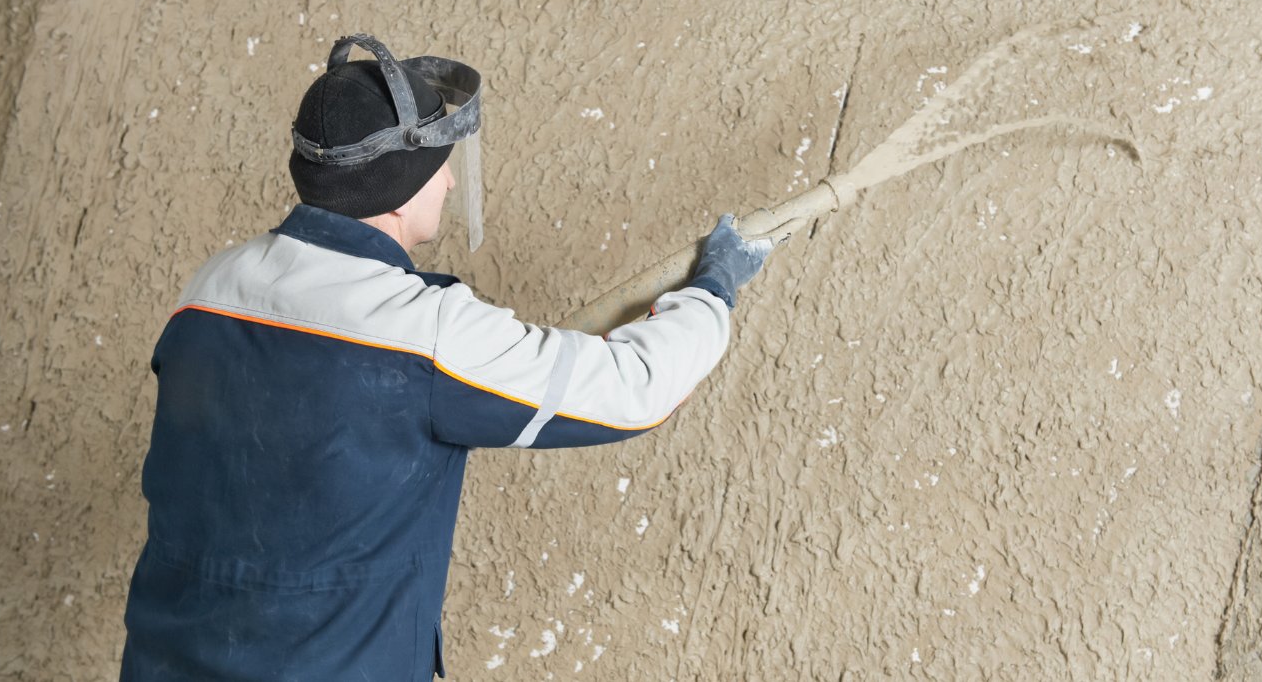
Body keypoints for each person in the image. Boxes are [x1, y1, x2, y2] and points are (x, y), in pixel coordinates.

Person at [119, 35, 775, 680]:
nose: (451, 178)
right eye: (440, 163)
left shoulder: (210, 288)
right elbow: (635, 388)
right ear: (401, 184)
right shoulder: (427, 334)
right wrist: (713, 290)